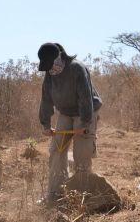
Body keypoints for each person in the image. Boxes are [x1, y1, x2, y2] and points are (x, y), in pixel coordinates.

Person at [37, 42, 102, 204]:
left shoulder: (76, 68)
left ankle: (82, 195)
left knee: (82, 153)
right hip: (66, 113)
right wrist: (46, 124)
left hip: (85, 111)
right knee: (56, 151)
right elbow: (46, 98)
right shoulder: (49, 72)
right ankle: (55, 193)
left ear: (59, 57)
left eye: (51, 64)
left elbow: (86, 97)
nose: (50, 69)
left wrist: (85, 124)